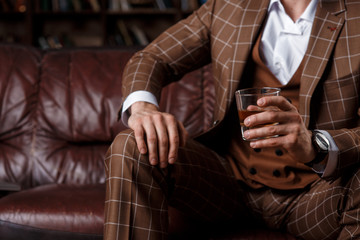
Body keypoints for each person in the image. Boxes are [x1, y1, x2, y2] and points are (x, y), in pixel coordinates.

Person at [103, 0, 360, 239]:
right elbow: (152, 57)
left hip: (316, 196)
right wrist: (143, 108)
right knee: (133, 146)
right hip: (228, 186)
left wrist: (317, 145)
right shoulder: (228, 6)